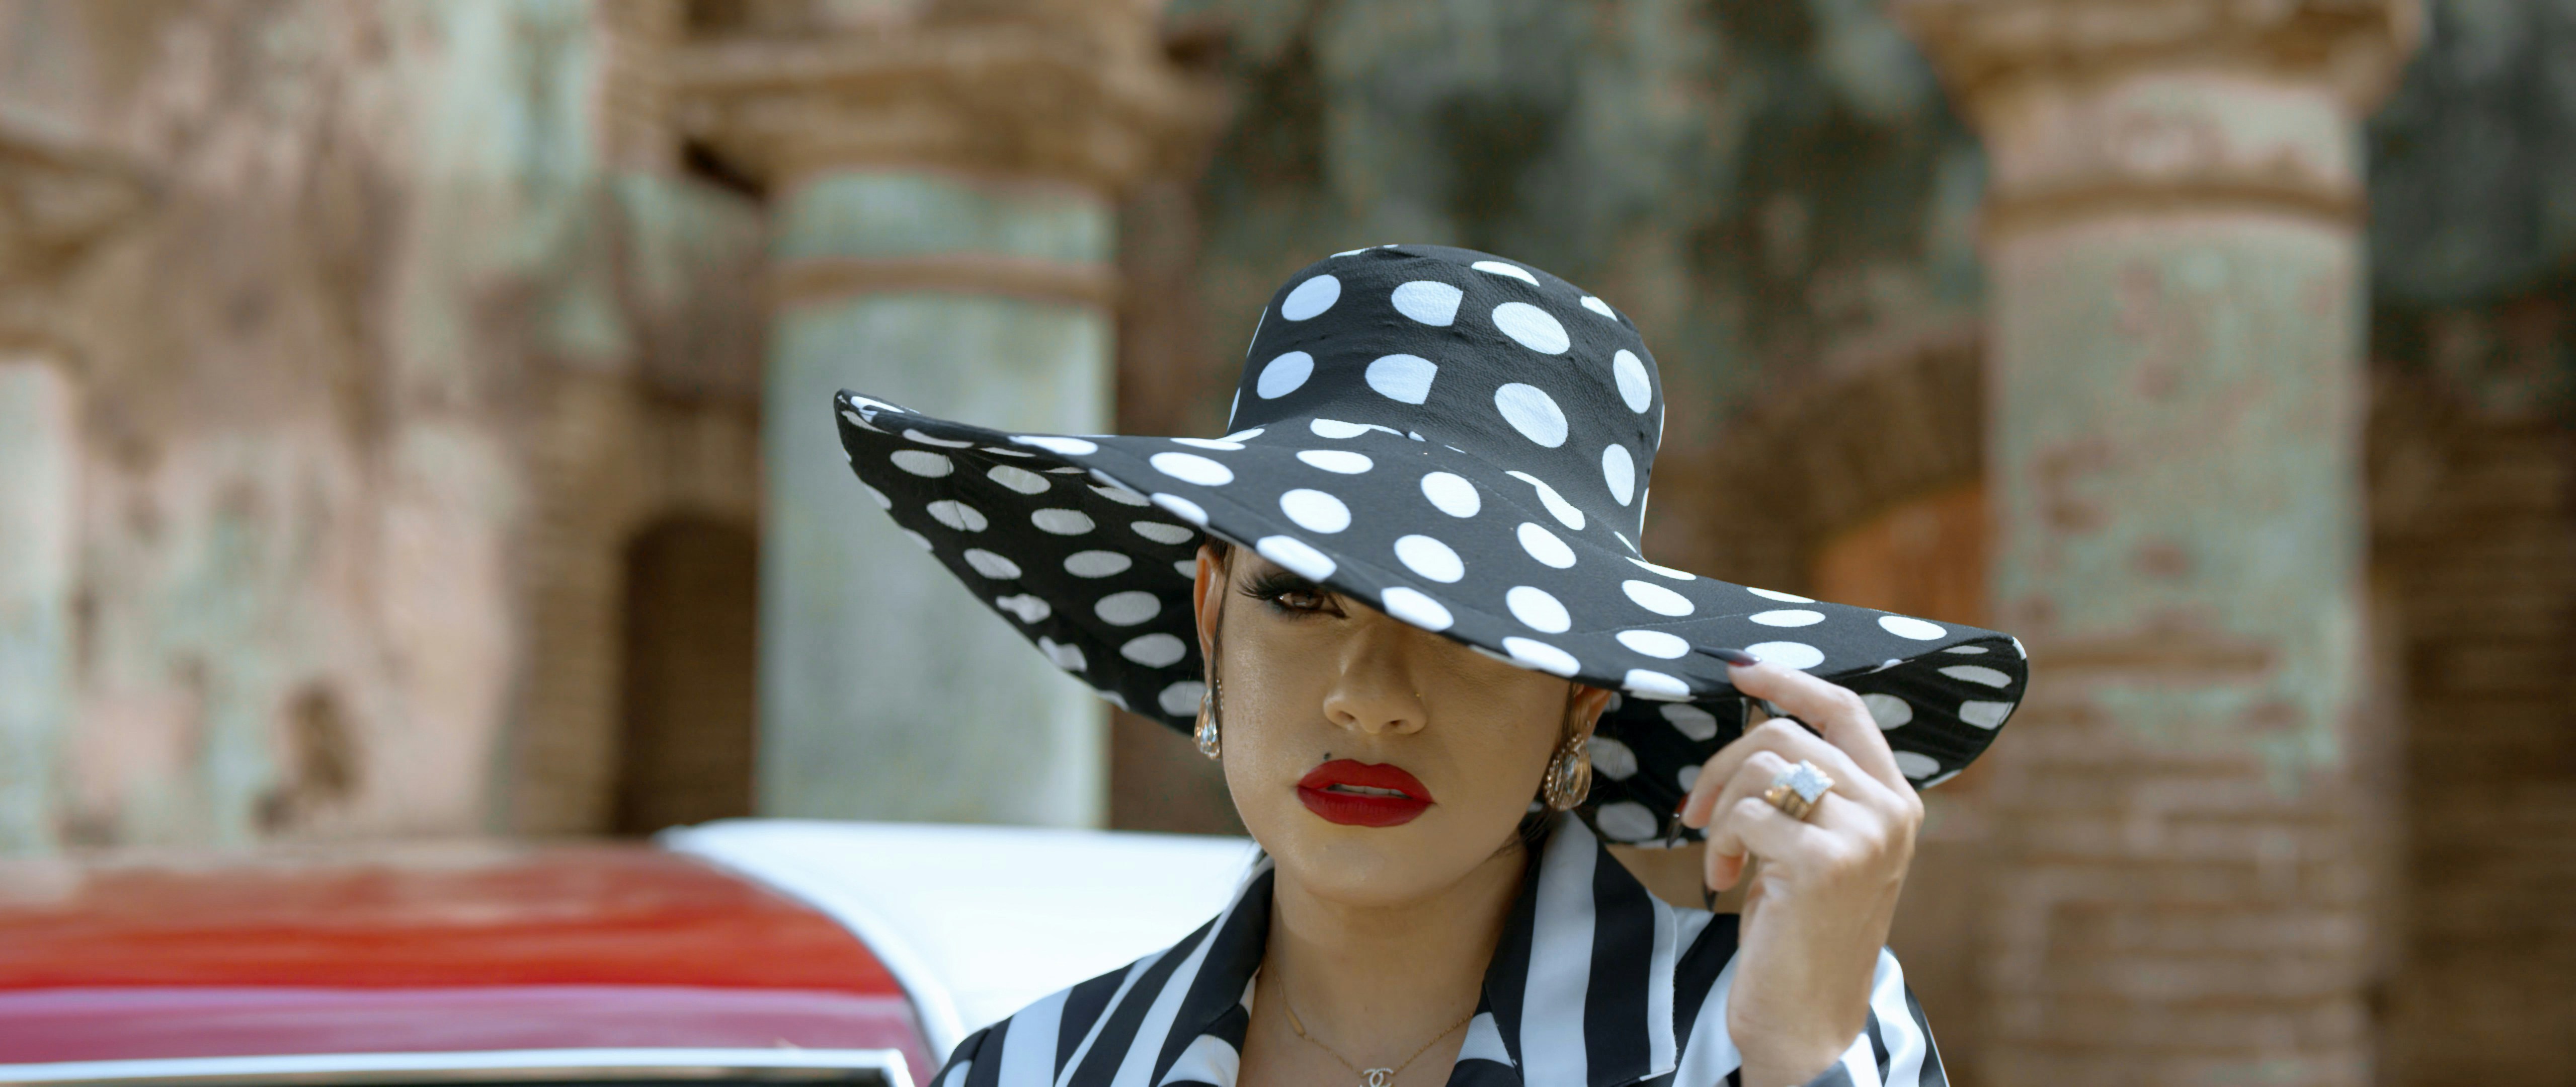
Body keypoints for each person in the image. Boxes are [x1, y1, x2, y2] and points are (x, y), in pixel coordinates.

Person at [831, 245, 2026, 1087]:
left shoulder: (1765, 1041)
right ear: (1211, 618)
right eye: (1299, 598)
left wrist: (1800, 1060)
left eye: (1470, 631)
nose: (1368, 698)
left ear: (1582, 693)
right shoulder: (1036, 1070)